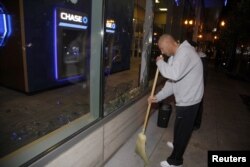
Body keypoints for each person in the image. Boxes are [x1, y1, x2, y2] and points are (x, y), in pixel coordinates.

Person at [148, 34, 204, 167]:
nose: (162, 52)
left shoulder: (185, 53)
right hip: (184, 97)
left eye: (162, 48)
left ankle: (176, 161)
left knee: (183, 130)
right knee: (179, 126)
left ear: (168, 43)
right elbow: (171, 83)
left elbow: (174, 74)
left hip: (190, 99)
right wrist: (158, 97)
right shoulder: (174, 58)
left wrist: (159, 62)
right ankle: (177, 143)